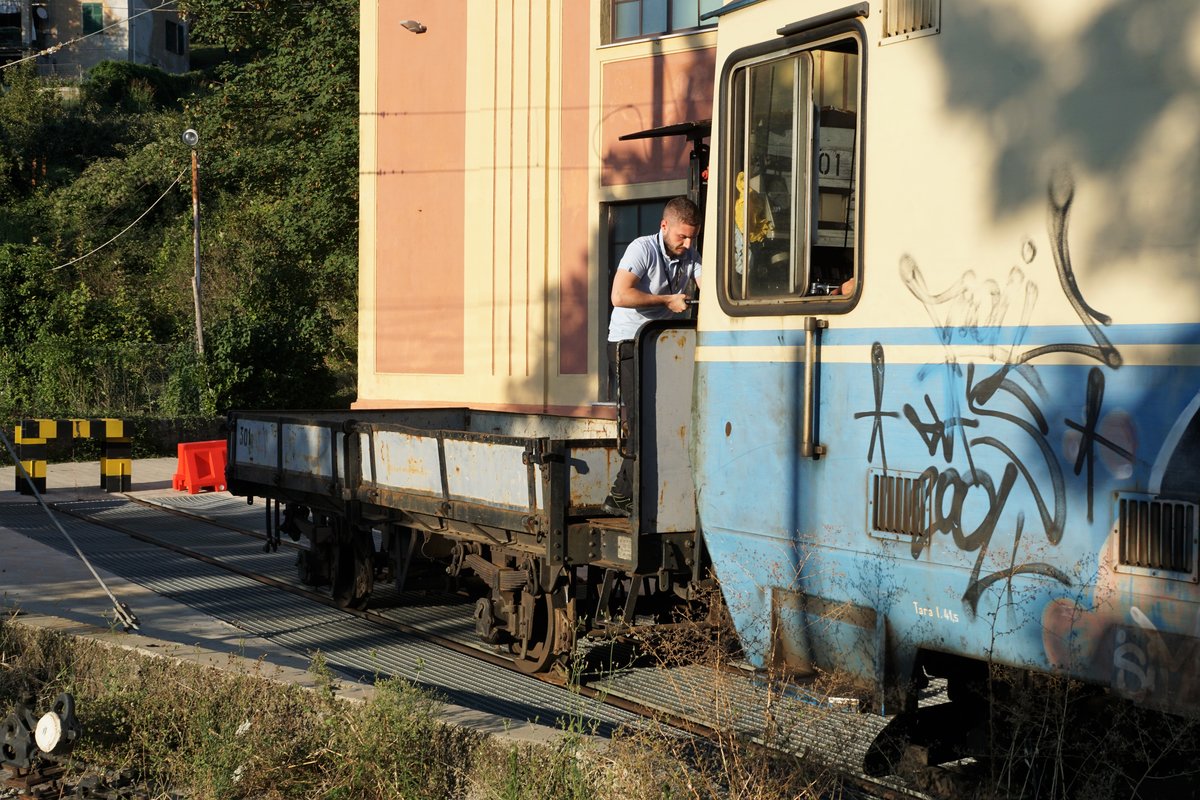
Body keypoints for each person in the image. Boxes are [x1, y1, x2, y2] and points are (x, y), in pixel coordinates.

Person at [603, 196, 702, 517]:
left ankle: (639, 492)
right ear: (664, 226)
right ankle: (621, 496)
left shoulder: (690, 253)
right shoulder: (642, 248)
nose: (686, 244)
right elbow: (619, 295)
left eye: (692, 237)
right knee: (642, 421)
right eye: (681, 237)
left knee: (668, 420)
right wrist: (665, 300)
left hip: (662, 346)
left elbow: (708, 284)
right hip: (628, 344)